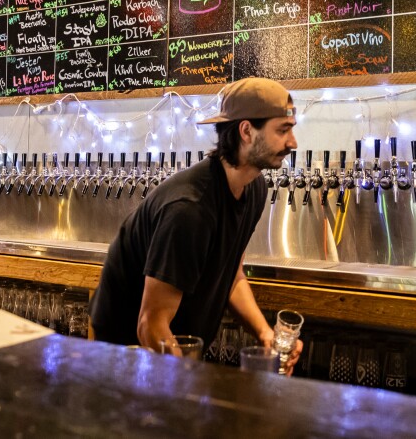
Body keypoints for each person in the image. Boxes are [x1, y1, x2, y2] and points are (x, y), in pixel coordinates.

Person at [90, 77, 302, 372]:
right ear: (246, 131)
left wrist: (265, 334)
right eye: (283, 131)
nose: (292, 143)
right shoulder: (190, 209)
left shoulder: (253, 189)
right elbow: (150, 325)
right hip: (123, 355)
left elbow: (232, 276)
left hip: (176, 349)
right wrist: (184, 384)